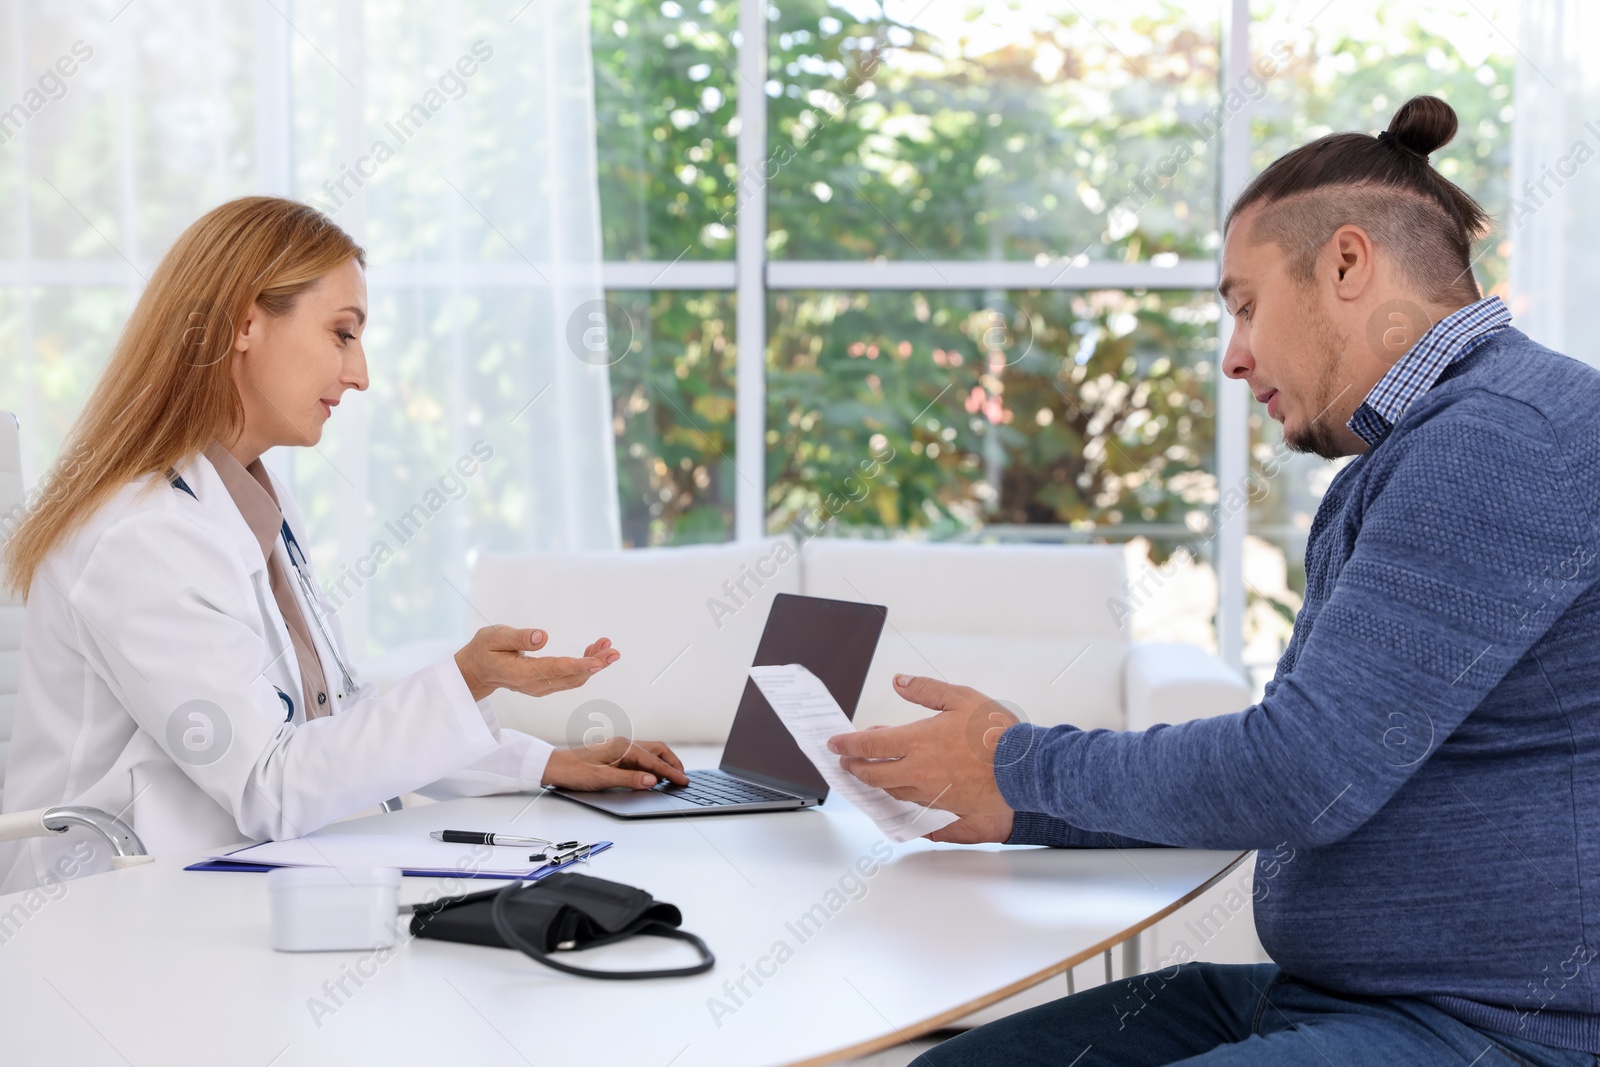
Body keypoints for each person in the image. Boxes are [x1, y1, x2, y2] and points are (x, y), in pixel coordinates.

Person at [832, 96, 1600, 1065]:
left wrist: (1017, 759)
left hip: (1480, 1028)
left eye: (1243, 304)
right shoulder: (1419, 453)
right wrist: (1018, 804)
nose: (1234, 356)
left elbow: (1300, 769)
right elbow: (1296, 769)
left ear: (1348, 264)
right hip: (1335, 995)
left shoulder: (1498, 439)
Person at [0, 196, 688, 891]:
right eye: (342, 333)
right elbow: (269, 785)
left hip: (224, 885)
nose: (359, 374)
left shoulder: (248, 497)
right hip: (106, 913)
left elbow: (341, 718)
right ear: (243, 323)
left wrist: (543, 764)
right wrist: (470, 676)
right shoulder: (138, 536)